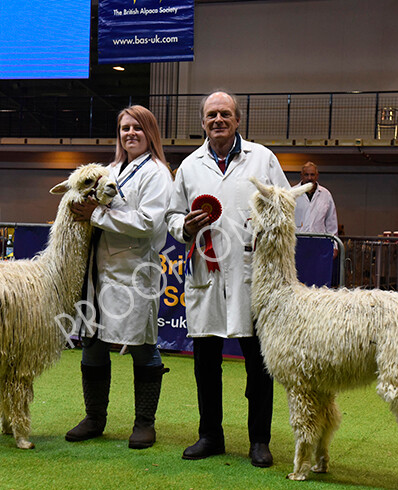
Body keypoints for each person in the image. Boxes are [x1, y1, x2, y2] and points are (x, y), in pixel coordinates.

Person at [165, 91, 290, 468]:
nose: (218, 120)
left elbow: (286, 205)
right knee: (205, 362)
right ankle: (210, 435)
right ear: (202, 123)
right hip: (206, 272)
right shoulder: (189, 166)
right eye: (211, 115)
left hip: (252, 273)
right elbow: (171, 217)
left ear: (238, 120)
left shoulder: (263, 158)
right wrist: (183, 225)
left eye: (225, 114)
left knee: (258, 363)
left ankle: (259, 440)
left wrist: (268, 224)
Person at [66, 105, 172, 449]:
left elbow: (149, 223)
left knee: (142, 345)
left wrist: (97, 214)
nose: (130, 134)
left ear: (149, 132)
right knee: (93, 341)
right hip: (98, 270)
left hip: (134, 270)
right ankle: (95, 417)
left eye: (137, 128)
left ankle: (144, 422)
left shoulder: (157, 173)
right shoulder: (109, 169)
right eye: (125, 128)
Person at [293, 161, 338, 254]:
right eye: (306, 175)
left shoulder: (326, 194)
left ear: (317, 176)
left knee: (318, 268)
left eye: (312, 175)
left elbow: (331, 223)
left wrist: (335, 246)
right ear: (301, 175)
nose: (309, 178)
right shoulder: (292, 193)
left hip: (319, 243)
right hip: (297, 244)